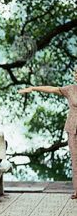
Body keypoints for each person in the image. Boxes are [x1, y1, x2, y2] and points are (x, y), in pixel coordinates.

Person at [18, 69, 77, 199]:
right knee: (75, 160)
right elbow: (51, 89)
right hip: (73, 129)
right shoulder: (70, 89)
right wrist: (33, 88)